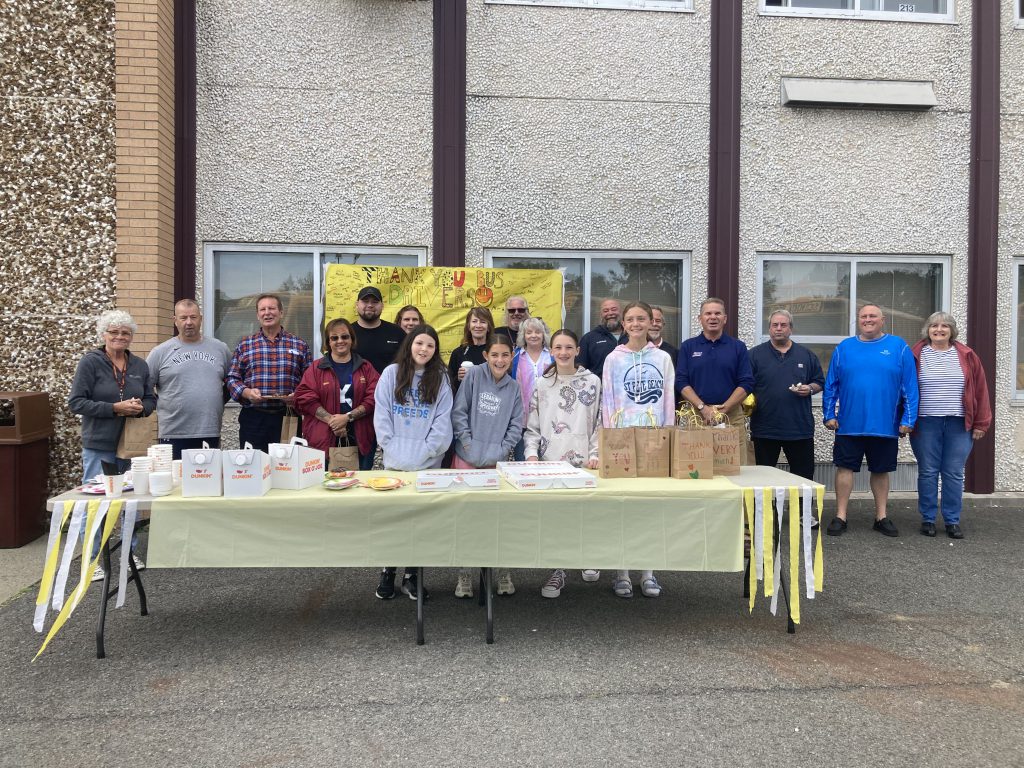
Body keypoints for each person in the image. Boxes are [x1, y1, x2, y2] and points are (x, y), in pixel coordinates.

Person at [69, 309, 156, 578]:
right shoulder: (90, 363)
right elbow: (77, 402)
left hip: (130, 444)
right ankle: (93, 559)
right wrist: (115, 408)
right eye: (114, 332)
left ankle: (127, 554)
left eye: (125, 333)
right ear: (103, 334)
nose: (120, 336)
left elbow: (152, 400)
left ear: (131, 337)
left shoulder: (140, 366)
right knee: (97, 502)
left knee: (129, 500)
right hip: (99, 443)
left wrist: (139, 408)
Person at [372, 325, 454, 601]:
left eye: (430, 345)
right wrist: (394, 449)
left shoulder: (441, 378)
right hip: (394, 463)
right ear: (410, 345)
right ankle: (388, 571)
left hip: (428, 465)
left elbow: (443, 423)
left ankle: (413, 575)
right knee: (394, 520)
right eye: (419, 343)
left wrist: (424, 453)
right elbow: (382, 417)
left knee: (420, 523)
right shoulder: (391, 374)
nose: (424, 349)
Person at [823, 304, 919, 538]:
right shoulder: (844, 348)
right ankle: (841, 516)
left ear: (882, 320)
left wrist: (908, 419)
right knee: (845, 469)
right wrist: (829, 414)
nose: (868, 319)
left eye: (873, 316)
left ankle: (881, 516)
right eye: (864, 316)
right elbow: (831, 385)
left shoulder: (899, 347)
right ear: (858, 320)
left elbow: (910, 387)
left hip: (885, 425)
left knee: (881, 470)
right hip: (848, 425)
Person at [601, 301, 675, 599]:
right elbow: (608, 401)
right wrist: (610, 439)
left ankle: (648, 571)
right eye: (630, 319)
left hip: (654, 439)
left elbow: (669, 398)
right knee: (623, 508)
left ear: (651, 322)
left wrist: (667, 435)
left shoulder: (664, 358)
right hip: (622, 440)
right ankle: (621, 572)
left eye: (641, 318)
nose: (635, 324)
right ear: (624, 323)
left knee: (650, 508)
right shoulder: (612, 359)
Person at [523, 329, 602, 599]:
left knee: (586, 514)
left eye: (569, 347)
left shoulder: (592, 381)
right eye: (558, 347)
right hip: (550, 461)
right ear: (551, 350)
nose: (564, 352)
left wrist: (596, 453)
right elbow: (532, 424)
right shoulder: (542, 384)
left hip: (584, 461)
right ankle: (558, 570)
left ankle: (589, 555)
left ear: (578, 350)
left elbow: (599, 422)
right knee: (556, 518)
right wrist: (531, 453)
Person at [450, 334, 525, 599]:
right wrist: (468, 444)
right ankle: (464, 574)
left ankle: (502, 572)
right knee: (466, 520)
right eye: (495, 355)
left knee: (498, 520)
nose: (500, 360)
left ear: (512, 354)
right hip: (466, 460)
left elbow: (517, 424)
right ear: (486, 356)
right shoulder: (473, 377)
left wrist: (503, 449)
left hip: (496, 462)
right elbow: (459, 412)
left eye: (505, 355)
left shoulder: (514, 387)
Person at [909, 312, 991, 539]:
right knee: (928, 472)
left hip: (959, 423)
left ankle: (952, 520)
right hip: (926, 422)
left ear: (952, 331)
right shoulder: (916, 354)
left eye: (945, 326)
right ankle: (927, 518)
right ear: (928, 329)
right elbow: (904, 389)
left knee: (954, 472)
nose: (939, 329)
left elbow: (981, 390)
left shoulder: (967, 355)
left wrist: (981, 423)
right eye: (934, 325)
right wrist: (904, 420)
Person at [226, 294, 312, 452]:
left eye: (272, 308)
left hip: (288, 417)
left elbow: (310, 381)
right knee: (253, 467)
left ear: (281, 313)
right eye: (262, 309)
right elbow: (232, 378)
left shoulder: (299, 345)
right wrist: (247, 392)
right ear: (257, 315)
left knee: (288, 466)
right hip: (254, 418)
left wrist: (297, 396)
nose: (267, 313)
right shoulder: (245, 345)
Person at [146, 299, 231, 459]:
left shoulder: (220, 349)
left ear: (201, 319)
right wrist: (168, 404)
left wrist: (216, 400)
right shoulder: (160, 352)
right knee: (176, 482)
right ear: (175, 321)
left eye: (193, 317)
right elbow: (145, 387)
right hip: (173, 432)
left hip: (209, 430)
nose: (189, 322)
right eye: (183, 318)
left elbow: (232, 383)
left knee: (207, 480)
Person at [293, 318, 380, 471]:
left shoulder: (365, 367)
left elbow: (375, 397)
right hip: (323, 440)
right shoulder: (316, 368)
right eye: (334, 338)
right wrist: (332, 421)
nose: (340, 341)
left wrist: (347, 417)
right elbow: (304, 398)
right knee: (324, 487)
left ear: (352, 340)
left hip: (360, 438)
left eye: (345, 336)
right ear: (328, 342)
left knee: (358, 487)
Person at [675, 297, 755, 464]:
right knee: (696, 465)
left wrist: (723, 410)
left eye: (717, 313)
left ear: (724, 319)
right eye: (708, 313)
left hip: (731, 415)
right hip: (697, 415)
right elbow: (681, 382)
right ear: (700, 318)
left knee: (734, 465)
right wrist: (703, 408)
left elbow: (746, 382)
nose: (713, 317)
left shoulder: (737, 347)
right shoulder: (688, 347)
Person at [749, 309, 824, 482]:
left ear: (791, 329)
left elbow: (820, 382)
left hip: (799, 429)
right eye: (775, 325)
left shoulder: (806, 355)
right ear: (769, 329)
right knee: (763, 480)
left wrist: (810, 388)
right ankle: (768, 511)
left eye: (783, 325)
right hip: (765, 428)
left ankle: (802, 509)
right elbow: (744, 385)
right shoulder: (754, 355)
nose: (779, 328)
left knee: (803, 478)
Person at [510, 317, 553, 461]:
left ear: (544, 334)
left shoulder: (552, 356)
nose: (533, 335)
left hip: (549, 418)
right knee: (524, 464)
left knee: (550, 464)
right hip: (522, 420)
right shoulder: (515, 357)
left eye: (538, 332)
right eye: (529, 332)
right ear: (523, 335)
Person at [351, 286, 406, 375]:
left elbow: (408, 362)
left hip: (390, 387)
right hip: (355, 388)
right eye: (365, 301)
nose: (370, 305)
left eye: (375, 302)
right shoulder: (347, 334)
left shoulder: (397, 332)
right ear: (357, 304)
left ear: (382, 306)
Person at [447, 307, 495, 392]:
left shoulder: (495, 352)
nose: (478, 325)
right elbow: (448, 385)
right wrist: (458, 378)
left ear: (489, 327)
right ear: (468, 326)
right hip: (464, 403)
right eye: (474, 321)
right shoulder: (458, 353)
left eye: (483, 322)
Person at [578, 298, 627, 379]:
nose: (610, 313)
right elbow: (580, 368)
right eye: (605, 311)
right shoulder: (589, 339)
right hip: (599, 389)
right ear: (600, 315)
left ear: (622, 312)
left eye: (614, 309)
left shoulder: (632, 336)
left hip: (628, 389)